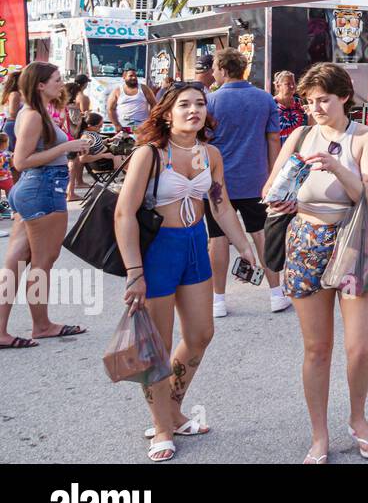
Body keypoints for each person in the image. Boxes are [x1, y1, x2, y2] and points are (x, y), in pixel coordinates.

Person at [114, 82, 258, 461]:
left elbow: (221, 206)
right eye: (184, 104)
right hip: (158, 252)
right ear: (166, 112)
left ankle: (172, 408)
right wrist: (134, 271)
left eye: (199, 104)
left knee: (200, 334)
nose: (193, 110)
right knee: (156, 346)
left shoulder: (210, 154)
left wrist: (245, 247)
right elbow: (123, 213)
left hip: (196, 246)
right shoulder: (149, 154)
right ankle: (162, 426)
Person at [265, 62, 368, 464]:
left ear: (344, 98)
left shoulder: (365, 138)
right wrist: (283, 196)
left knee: (359, 348)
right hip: (306, 242)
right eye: (309, 101)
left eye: (323, 100)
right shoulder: (300, 136)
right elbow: (271, 188)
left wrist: (336, 166)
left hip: (354, 244)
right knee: (317, 349)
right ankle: (319, 435)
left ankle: (358, 419)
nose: (315, 108)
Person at [0, 63, 92, 349]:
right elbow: (21, 161)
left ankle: (8, 329)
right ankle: (42, 325)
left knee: (16, 262)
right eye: (55, 79)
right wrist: (67, 148)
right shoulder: (33, 116)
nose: (61, 83)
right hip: (42, 188)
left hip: (34, 188)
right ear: (40, 84)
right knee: (42, 263)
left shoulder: (36, 113)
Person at [205, 48, 282, 316]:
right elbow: (273, 139)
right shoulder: (265, 99)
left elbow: (203, 142)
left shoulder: (211, 101)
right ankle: (275, 293)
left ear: (224, 70)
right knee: (261, 234)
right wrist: (273, 174)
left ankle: (218, 301)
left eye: (214, 68)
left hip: (218, 183)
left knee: (217, 238)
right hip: (256, 178)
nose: (213, 73)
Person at [107, 69, 156, 134]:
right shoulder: (117, 91)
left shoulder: (144, 89)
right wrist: (116, 125)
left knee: (141, 143)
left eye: (135, 76)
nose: (134, 78)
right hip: (123, 126)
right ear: (124, 77)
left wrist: (150, 121)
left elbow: (154, 105)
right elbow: (110, 109)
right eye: (131, 76)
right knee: (125, 143)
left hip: (141, 126)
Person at [273, 70, 306, 142]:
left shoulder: (299, 102)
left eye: (293, 83)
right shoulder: (272, 104)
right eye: (287, 84)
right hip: (278, 147)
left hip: (297, 145)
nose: (292, 86)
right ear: (278, 86)